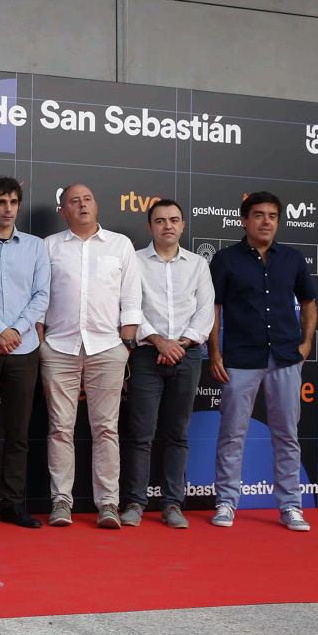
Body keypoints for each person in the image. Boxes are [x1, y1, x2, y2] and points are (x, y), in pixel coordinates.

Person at [208, 191, 318, 531]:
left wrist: (306, 344)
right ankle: (226, 502)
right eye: (259, 215)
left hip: (286, 357)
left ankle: (290, 506)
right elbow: (214, 308)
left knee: (287, 435)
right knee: (231, 434)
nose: (266, 221)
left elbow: (310, 303)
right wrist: (214, 352)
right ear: (244, 220)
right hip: (241, 358)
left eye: (272, 215)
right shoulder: (226, 260)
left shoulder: (294, 259)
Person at [38, 183, 141, 529]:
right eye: (73, 201)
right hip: (59, 347)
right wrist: (41, 342)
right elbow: (40, 298)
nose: (82, 205)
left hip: (108, 348)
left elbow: (131, 299)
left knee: (106, 430)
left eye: (87, 199)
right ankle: (61, 501)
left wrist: (125, 345)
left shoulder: (120, 245)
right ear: (62, 211)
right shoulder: (49, 247)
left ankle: (108, 504)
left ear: (97, 205)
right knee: (59, 429)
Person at [121, 199, 213, 529]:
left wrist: (180, 344)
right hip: (146, 355)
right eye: (160, 221)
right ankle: (134, 502)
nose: (167, 225)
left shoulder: (198, 266)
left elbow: (205, 313)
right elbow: (130, 306)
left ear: (183, 225)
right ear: (150, 227)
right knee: (140, 434)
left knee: (177, 433)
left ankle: (173, 504)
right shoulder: (134, 261)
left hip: (187, 357)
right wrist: (159, 341)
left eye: (174, 220)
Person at [0, 177, 49, 529]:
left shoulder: (35, 247)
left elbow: (42, 295)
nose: (7, 208)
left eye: (13, 202)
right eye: (1, 202)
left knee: (18, 433)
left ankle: (13, 505)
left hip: (24, 346)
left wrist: (16, 330)